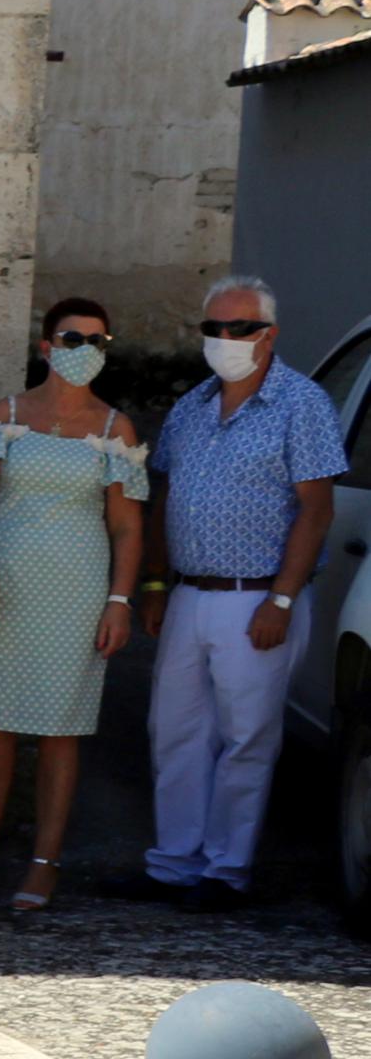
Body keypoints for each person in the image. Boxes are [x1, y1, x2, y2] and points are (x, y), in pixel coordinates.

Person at [131, 274, 345, 910]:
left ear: (269, 334)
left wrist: (281, 599)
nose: (226, 340)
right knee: (174, 730)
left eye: (241, 329)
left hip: (257, 599)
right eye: (215, 329)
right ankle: (173, 864)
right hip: (189, 594)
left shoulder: (300, 404)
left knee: (246, 738)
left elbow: (316, 509)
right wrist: (153, 583)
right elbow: (165, 495)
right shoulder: (191, 406)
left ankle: (226, 871)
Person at [0, 297, 145, 919]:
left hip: (78, 598)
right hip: (0, 595)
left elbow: (128, 530)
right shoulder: (8, 415)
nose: (84, 350)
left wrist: (120, 602)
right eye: (72, 338)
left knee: (62, 732)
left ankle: (44, 864)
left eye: (98, 342)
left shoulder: (116, 429)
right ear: (47, 346)